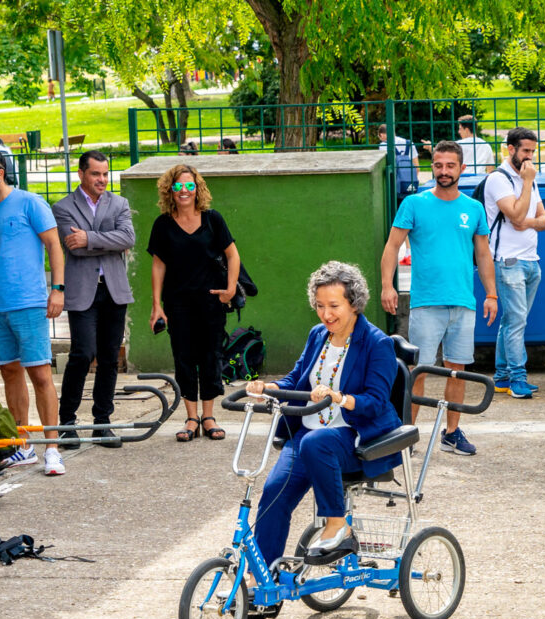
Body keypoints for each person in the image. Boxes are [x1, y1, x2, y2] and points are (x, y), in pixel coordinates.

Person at [247, 262, 402, 591]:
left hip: (353, 437)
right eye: (319, 306)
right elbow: (296, 379)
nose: (326, 314)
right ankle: (264, 586)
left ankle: (337, 525)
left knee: (316, 443)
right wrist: (269, 388)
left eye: (334, 306)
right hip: (308, 434)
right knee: (274, 494)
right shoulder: (318, 335)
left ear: (354, 303)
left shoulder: (377, 343)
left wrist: (339, 397)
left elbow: (376, 401)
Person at [380, 140, 497, 456]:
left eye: (450, 166)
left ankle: (452, 433)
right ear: (432, 166)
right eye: (438, 165)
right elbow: (392, 246)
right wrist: (387, 286)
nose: (444, 171)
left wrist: (491, 294)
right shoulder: (414, 204)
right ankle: (405, 436)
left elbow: (483, 255)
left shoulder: (473, 208)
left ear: (462, 168)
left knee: (457, 369)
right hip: (426, 303)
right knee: (418, 370)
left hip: (463, 303)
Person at [0, 143, 66, 476]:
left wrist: (57, 290)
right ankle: (23, 445)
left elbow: (54, 245)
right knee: (10, 373)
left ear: (0, 173)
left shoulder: (30, 203)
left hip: (29, 303)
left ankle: (52, 448)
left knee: (40, 374)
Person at [148, 164, 240, 442]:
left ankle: (209, 417)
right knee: (184, 358)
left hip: (210, 301)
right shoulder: (163, 224)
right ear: (170, 191)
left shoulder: (213, 219)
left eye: (189, 186)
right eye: (178, 186)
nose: (184, 191)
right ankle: (190, 418)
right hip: (177, 303)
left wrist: (230, 289)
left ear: (197, 189)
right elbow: (158, 265)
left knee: (211, 356)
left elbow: (233, 255)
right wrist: (156, 305)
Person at [52, 151, 135, 447]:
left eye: (105, 174)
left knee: (110, 358)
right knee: (83, 354)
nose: (102, 179)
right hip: (82, 291)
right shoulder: (63, 207)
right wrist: (107, 240)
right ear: (81, 174)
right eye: (95, 174)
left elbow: (127, 238)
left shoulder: (119, 203)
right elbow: (73, 246)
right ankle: (67, 423)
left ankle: (102, 423)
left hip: (114, 290)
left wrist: (89, 238)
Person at [483, 127, 545, 398]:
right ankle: (517, 379)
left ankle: (501, 376)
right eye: (525, 151)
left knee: (512, 321)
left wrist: (528, 222)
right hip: (508, 261)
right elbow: (515, 215)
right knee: (516, 322)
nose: (530, 156)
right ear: (510, 149)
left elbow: (543, 221)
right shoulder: (499, 179)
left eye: (533, 151)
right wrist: (526, 183)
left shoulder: (529, 178)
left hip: (531, 260)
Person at [378, 124, 418, 203]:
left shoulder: (383, 146)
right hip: (410, 185)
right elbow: (417, 167)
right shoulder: (409, 143)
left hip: (393, 188)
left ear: (381, 135)